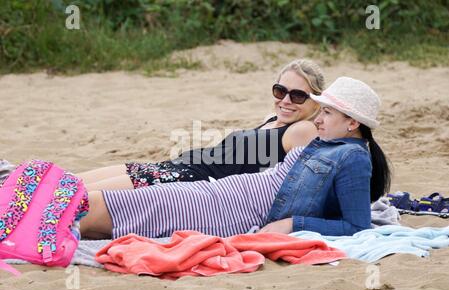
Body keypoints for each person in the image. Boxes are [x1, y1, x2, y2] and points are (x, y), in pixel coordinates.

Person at [81, 76, 391, 239]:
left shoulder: (353, 158)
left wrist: (292, 224)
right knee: (101, 210)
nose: (318, 119)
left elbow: (356, 227)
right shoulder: (330, 145)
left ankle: (41, 218)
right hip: (225, 193)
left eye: (326, 112)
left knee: (106, 208)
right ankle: (41, 211)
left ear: (352, 122)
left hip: (233, 211)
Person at [77, 59, 325, 191]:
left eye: (298, 95)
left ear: (316, 100)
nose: (285, 100)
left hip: (192, 180)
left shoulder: (304, 130)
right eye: (280, 91)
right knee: (76, 182)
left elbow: (298, 184)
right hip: (183, 164)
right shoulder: (273, 120)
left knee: (84, 194)